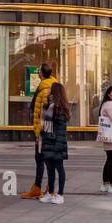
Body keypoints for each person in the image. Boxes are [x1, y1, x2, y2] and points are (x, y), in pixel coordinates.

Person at [20, 63, 58, 199]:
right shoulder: (52, 87)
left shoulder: (44, 90)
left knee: (42, 159)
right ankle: (43, 188)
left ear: (41, 74)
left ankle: (44, 189)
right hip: (47, 131)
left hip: (43, 132)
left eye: (39, 72)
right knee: (43, 159)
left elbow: (44, 114)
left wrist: (39, 133)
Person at [39, 82, 70, 205]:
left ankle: (60, 194)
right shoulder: (49, 105)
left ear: (55, 91)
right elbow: (45, 123)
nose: (48, 90)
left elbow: (60, 128)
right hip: (47, 140)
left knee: (59, 167)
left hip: (56, 141)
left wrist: (58, 143)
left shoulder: (59, 108)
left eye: (50, 88)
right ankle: (50, 193)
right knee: (50, 168)